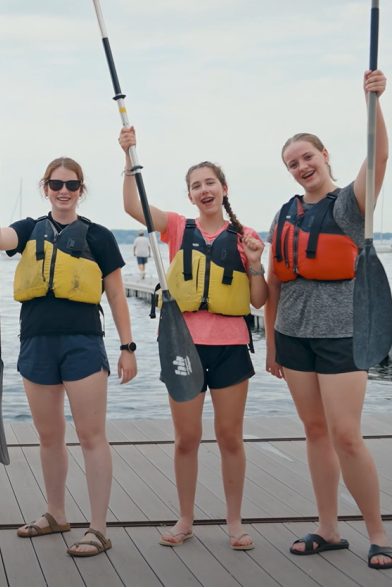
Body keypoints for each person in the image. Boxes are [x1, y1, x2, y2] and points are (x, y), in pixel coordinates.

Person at [266, 70, 392, 570]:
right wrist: (273, 346)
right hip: (293, 335)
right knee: (315, 431)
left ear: (325, 157)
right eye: (293, 163)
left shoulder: (351, 204)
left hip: (344, 331)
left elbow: (379, 156)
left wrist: (373, 103)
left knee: (346, 433)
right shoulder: (286, 213)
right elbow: (275, 281)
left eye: (308, 157)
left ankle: (378, 533)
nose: (302, 166)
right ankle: (328, 529)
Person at [119, 127, 268, 551]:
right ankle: (185, 518)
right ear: (189, 196)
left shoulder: (246, 236)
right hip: (183, 345)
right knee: (186, 438)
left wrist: (256, 264)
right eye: (196, 185)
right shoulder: (177, 228)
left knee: (229, 436)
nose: (204, 190)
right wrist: (129, 158)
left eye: (210, 183)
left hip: (230, 346)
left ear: (224, 189)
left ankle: (234, 522)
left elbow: (257, 301)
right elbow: (132, 205)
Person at [0, 155, 136, 557]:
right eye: (55, 184)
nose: (63, 191)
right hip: (36, 342)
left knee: (90, 435)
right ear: (45, 188)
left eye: (71, 185)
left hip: (83, 343)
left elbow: (116, 293)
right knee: (49, 437)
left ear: (80, 190)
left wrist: (127, 346)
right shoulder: (29, 229)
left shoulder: (98, 236)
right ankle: (56, 514)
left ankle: (98, 528)